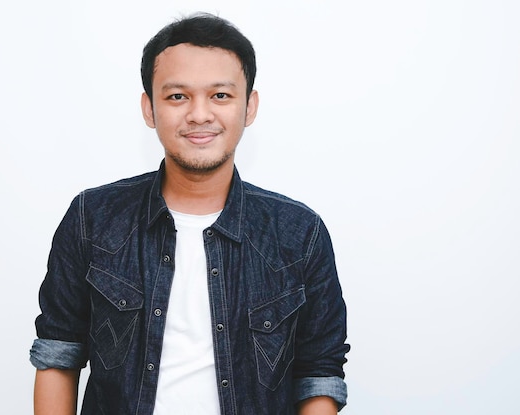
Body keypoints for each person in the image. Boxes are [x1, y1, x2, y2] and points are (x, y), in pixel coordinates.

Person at [30, 12, 349, 415]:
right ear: (150, 108)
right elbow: (59, 353)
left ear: (249, 106)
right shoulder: (92, 218)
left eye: (220, 95)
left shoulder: (300, 234)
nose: (199, 114)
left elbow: (319, 374)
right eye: (177, 96)